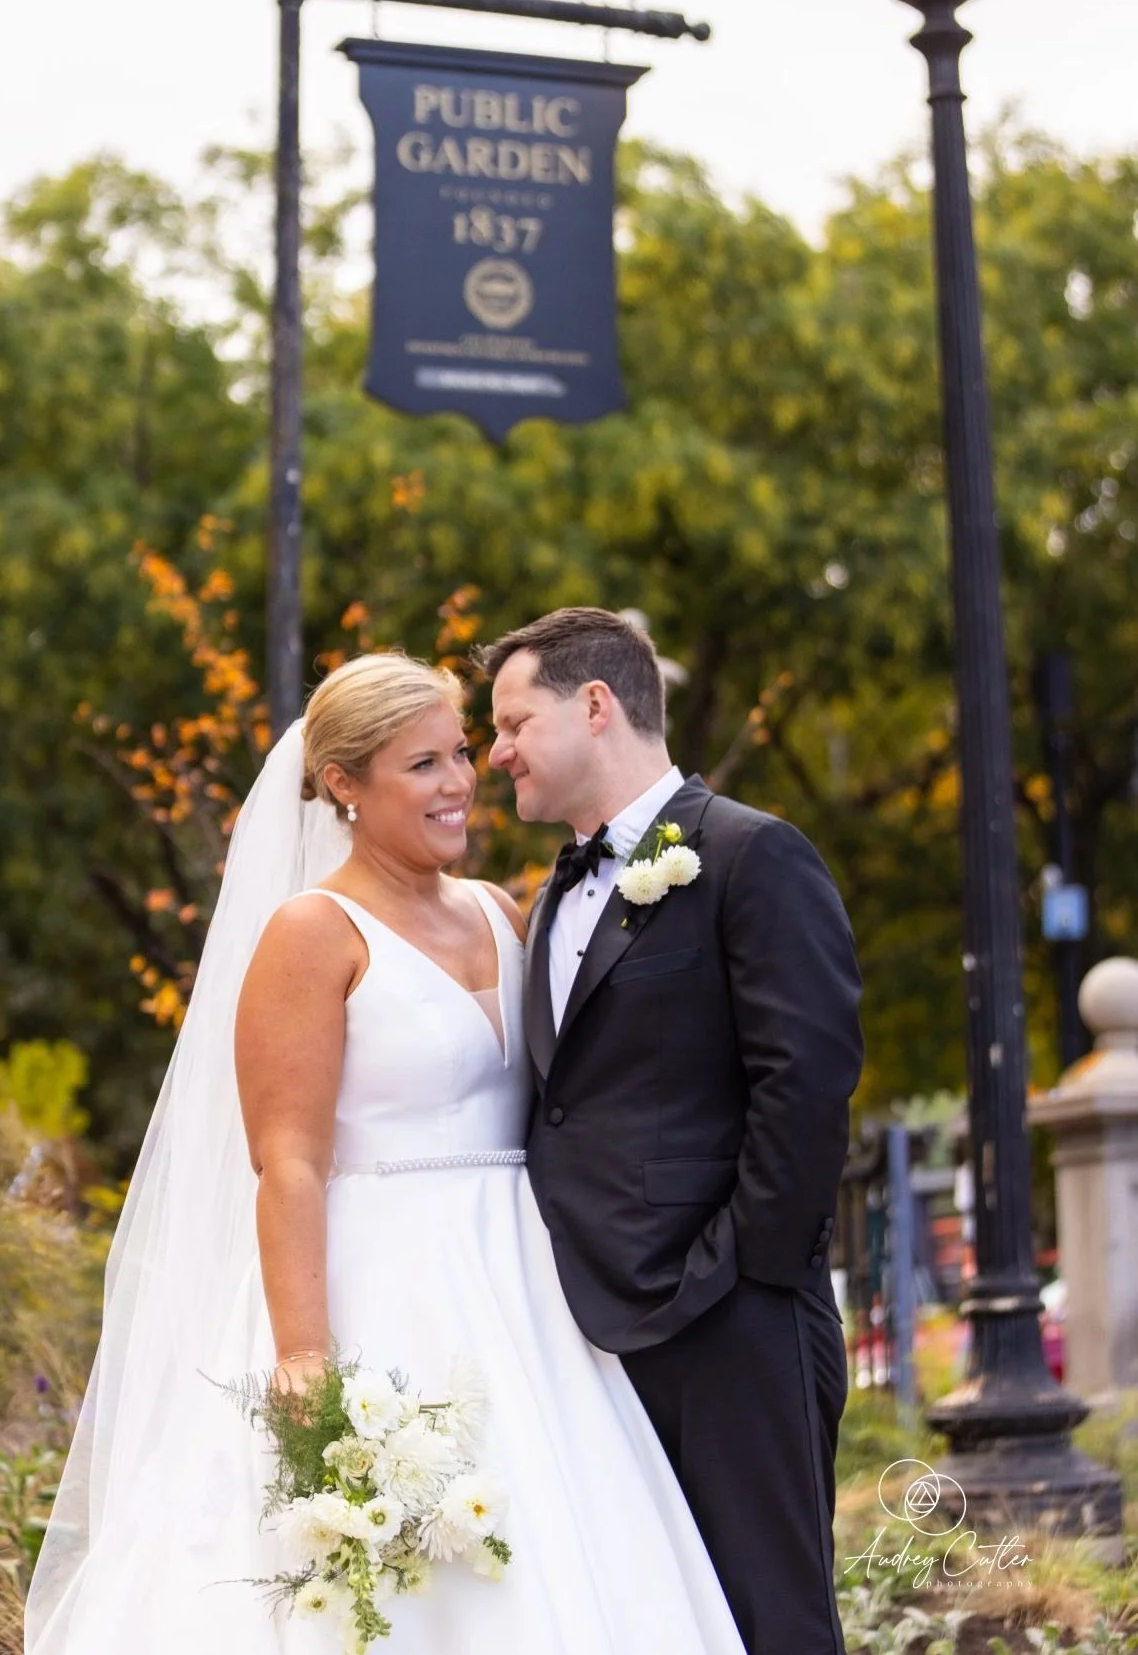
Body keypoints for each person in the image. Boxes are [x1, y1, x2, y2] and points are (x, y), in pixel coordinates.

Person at [25, 651, 745, 1655]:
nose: (459, 780)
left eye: (460, 753)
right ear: (343, 785)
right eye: (423, 764)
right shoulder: (312, 934)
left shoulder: (500, 910)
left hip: (531, 1293)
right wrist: (306, 1359)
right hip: (380, 1290)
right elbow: (286, 1162)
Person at [480, 608, 865, 1655]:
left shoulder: (751, 854)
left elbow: (806, 1080)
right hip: (583, 1332)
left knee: (764, 1619)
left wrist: (739, 1272)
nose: (495, 749)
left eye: (512, 720)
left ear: (594, 704)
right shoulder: (548, 895)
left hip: (724, 1321)